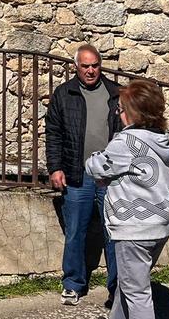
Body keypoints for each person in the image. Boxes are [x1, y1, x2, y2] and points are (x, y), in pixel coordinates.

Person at [85, 77, 169, 319]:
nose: (119, 114)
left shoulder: (127, 141)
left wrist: (98, 165)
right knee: (129, 280)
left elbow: (98, 165)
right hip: (159, 222)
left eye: (122, 109)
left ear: (135, 113)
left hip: (134, 225)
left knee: (136, 289)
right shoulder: (161, 139)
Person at [44, 43, 121, 305]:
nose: (90, 70)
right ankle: (73, 283)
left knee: (113, 232)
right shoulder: (64, 93)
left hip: (110, 176)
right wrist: (55, 167)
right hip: (77, 174)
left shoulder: (115, 93)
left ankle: (118, 288)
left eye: (95, 65)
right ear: (76, 67)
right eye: (85, 66)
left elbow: (126, 133)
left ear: (101, 65)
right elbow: (53, 133)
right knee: (75, 231)